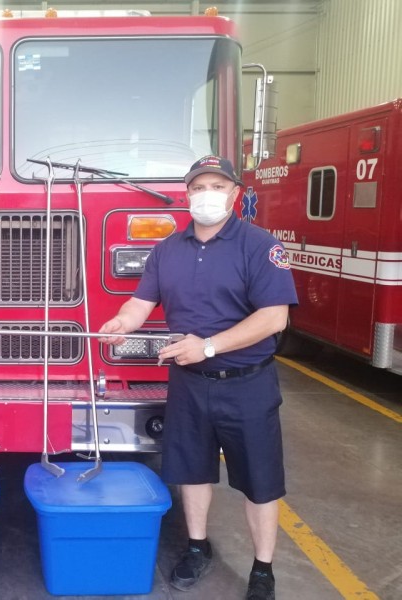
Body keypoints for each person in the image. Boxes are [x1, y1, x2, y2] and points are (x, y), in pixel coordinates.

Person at [99, 155, 297, 600]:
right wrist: (121, 323)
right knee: (191, 471)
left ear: (234, 194)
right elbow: (140, 302)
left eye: (217, 185)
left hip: (248, 382)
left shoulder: (259, 245)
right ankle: (196, 546)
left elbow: (274, 318)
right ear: (187, 194)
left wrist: (207, 346)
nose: (207, 193)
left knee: (260, 480)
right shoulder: (167, 250)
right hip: (189, 383)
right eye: (199, 186)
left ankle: (263, 569)